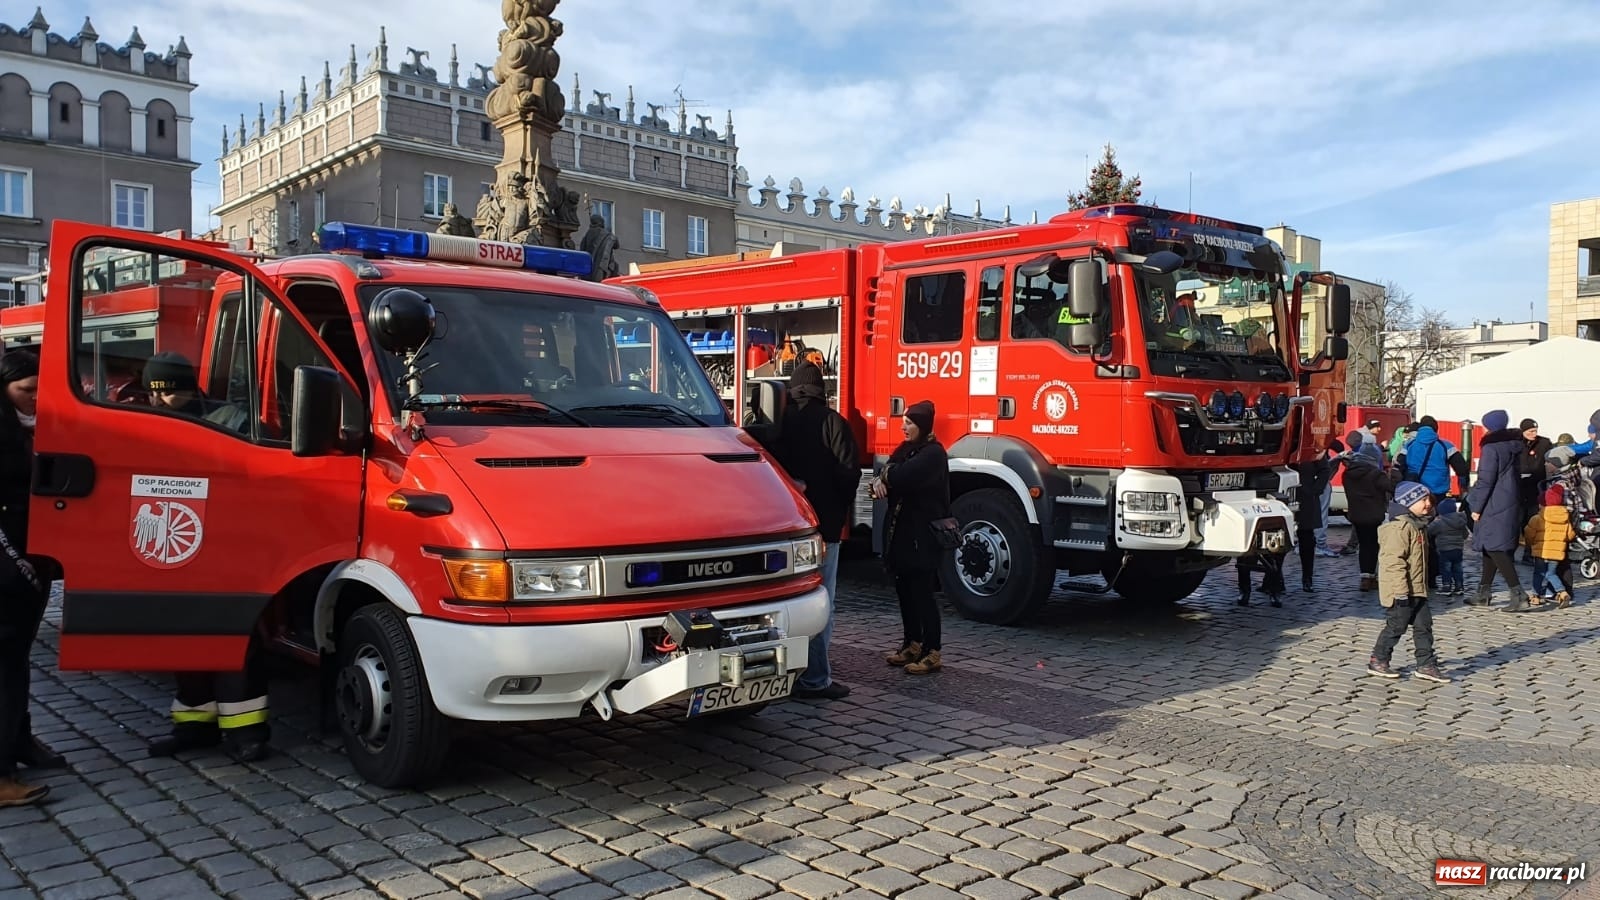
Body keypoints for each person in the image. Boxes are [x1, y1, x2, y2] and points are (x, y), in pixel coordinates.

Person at [771, 361, 861, 701]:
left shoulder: (780, 422)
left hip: (784, 529)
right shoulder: (834, 422)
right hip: (824, 528)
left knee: (787, 601)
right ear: (821, 389)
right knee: (821, 600)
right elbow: (849, 473)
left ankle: (785, 672)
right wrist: (836, 508)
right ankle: (816, 678)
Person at [0, 351, 65, 808]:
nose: (36, 398)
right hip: (5, 556)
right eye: (26, 390)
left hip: (34, 555)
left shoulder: (52, 422)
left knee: (17, 658)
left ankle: (19, 741)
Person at [870, 400, 948, 675]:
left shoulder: (934, 454)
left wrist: (887, 476)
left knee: (923, 593)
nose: (903, 427)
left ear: (923, 426)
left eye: (910, 423)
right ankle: (911, 643)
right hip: (901, 534)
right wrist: (883, 477)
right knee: (904, 589)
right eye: (904, 422)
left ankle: (932, 651)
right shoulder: (907, 449)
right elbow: (888, 470)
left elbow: (903, 475)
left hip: (922, 536)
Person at [1367, 481, 1449, 682]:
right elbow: (1393, 562)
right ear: (1408, 503)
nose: (1428, 504)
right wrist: (1400, 592)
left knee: (1424, 625)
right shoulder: (1400, 528)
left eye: (1428, 499)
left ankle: (1426, 664)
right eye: (1423, 500)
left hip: (1417, 588)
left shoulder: (1418, 525)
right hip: (1400, 591)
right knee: (1397, 625)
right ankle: (1379, 659)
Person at [1467, 409, 1537, 612]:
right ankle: (1483, 592)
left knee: (1496, 548)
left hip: (1494, 503)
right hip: (1509, 500)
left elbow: (1486, 479)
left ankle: (1518, 593)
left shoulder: (1491, 447)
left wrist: (1476, 506)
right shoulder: (1512, 445)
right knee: (1491, 545)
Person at [144, 352, 249, 433]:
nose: (157, 401)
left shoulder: (231, 420)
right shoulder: (145, 423)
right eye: (151, 394)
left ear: (190, 390)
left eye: (166, 393)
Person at [1343, 436, 1392, 592]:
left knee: (1364, 545)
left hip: (1356, 514)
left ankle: (1365, 577)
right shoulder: (1375, 474)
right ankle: (1370, 577)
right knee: (1373, 546)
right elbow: (1391, 487)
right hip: (1373, 514)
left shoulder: (1348, 473)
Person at [1523, 486, 1575, 609]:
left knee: (1539, 573)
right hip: (1556, 553)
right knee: (1551, 573)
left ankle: (1536, 595)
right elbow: (1570, 535)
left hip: (1541, 551)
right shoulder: (1565, 519)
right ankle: (1562, 593)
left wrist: (1529, 544)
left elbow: (1529, 533)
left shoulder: (1538, 518)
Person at [1517, 419, 1553, 540]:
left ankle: (1531, 541)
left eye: (1535, 431)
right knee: (1520, 515)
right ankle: (1523, 537)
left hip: (1537, 485)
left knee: (1533, 515)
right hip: (1519, 485)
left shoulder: (1544, 443)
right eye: (1530, 431)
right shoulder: (1516, 444)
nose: (1534, 434)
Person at [1427, 498, 1471, 597]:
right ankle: (1459, 586)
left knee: (1445, 568)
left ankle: (1446, 586)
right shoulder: (1460, 521)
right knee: (1457, 568)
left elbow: (1429, 531)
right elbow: (1465, 534)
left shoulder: (1440, 522)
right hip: (1458, 549)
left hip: (1444, 550)